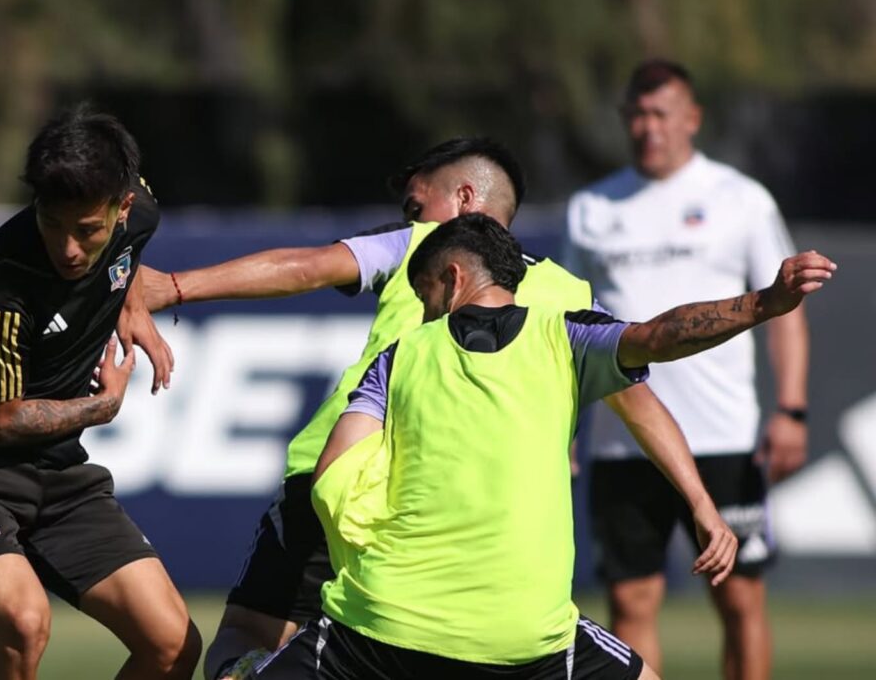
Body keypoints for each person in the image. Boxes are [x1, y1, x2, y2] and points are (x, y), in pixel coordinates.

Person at [139, 138, 733, 680]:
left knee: (250, 636)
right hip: (467, 520)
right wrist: (701, 501)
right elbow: (641, 405)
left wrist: (173, 285)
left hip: (346, 484)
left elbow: (306, 267)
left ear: (465, 201)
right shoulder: (572, 302)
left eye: (416, 206)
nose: (410, 219)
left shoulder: (419, 247)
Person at [247, 215, 833, 680]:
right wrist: (762, 303)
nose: (424, 313)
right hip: (526, 640)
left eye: (424, 295)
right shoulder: (568, 335)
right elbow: (659, 335)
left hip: (381, 625)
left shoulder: (398, 358)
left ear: (451, 278)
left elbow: (332, 477)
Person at [0, 106, 199, 680]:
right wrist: (103, 406)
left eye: (86, 230)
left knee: (171, 645)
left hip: (60, 478)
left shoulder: (141, 215)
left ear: (123, 205)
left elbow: (124, 256)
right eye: (51, 223)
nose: (68, 249)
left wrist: (130, 303)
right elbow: (0, 423)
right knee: (25, 623)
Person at [562, 59, 810, 679]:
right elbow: (566, 324)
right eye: (637, 115)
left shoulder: (740, 199)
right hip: (625, 440)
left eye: (661, 114)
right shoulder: (591, 207)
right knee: (630, 600)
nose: (648, 127)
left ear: (691, 119)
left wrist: (792, 410)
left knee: (739, 596)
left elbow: (784, 311)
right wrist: (566, 428)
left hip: (721, 434)